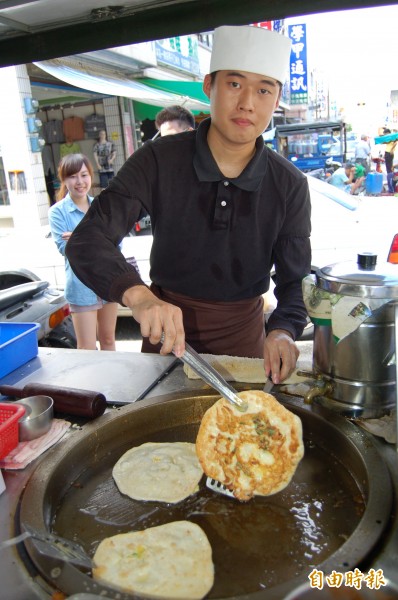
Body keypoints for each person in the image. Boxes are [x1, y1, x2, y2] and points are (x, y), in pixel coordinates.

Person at [66, 25, 311, 384]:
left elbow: (296, 281)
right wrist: (139, 296)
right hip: (163, 341)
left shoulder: (289, 184)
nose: (247, 103)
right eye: (234, 84)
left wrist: (284, 330)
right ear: (208, 86)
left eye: (263, 90)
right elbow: (87, 240)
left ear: (276, 102)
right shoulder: (158, 160)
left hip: (244, 345)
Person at [48, 153, 118, 351]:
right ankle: (91, 383)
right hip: (81, 287)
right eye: (72, 176)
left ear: (91, 176)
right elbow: (67, 250)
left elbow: (115, 245)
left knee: (108, 341)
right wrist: (98, 238)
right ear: (64, 179)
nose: (80, 182)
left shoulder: (101, 205)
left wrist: (79, 237)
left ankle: (111, 383)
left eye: (84, 175)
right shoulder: (57, 212)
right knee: (87, 347)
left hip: (108, 282)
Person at [383, 129, 398, 194]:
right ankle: (391, 188)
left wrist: (391, 150)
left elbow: (396, 142)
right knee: (389, 170)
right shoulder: (389, 138)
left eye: (385, 134)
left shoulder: (392, 136)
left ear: (388, 133)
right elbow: (387, 143)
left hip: (389, 153)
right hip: (387, 153)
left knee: (389, 171)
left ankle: (391, 189)